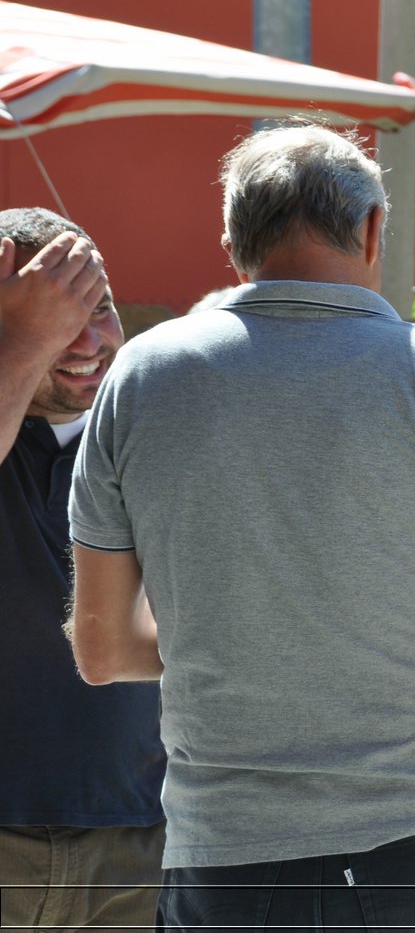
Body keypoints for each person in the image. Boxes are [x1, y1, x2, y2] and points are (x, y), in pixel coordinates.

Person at [66, 123, 415, 930]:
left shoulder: (139, 378)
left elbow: (101, 647)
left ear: (232, 244)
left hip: (226, 849)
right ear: (371, 229)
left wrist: (243, 633)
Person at [0, 209, 165, 930]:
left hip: (136, 841)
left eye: (99, 306)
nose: (89, 339)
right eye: (53, 313)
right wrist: (23, 341)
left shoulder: (150, 427)